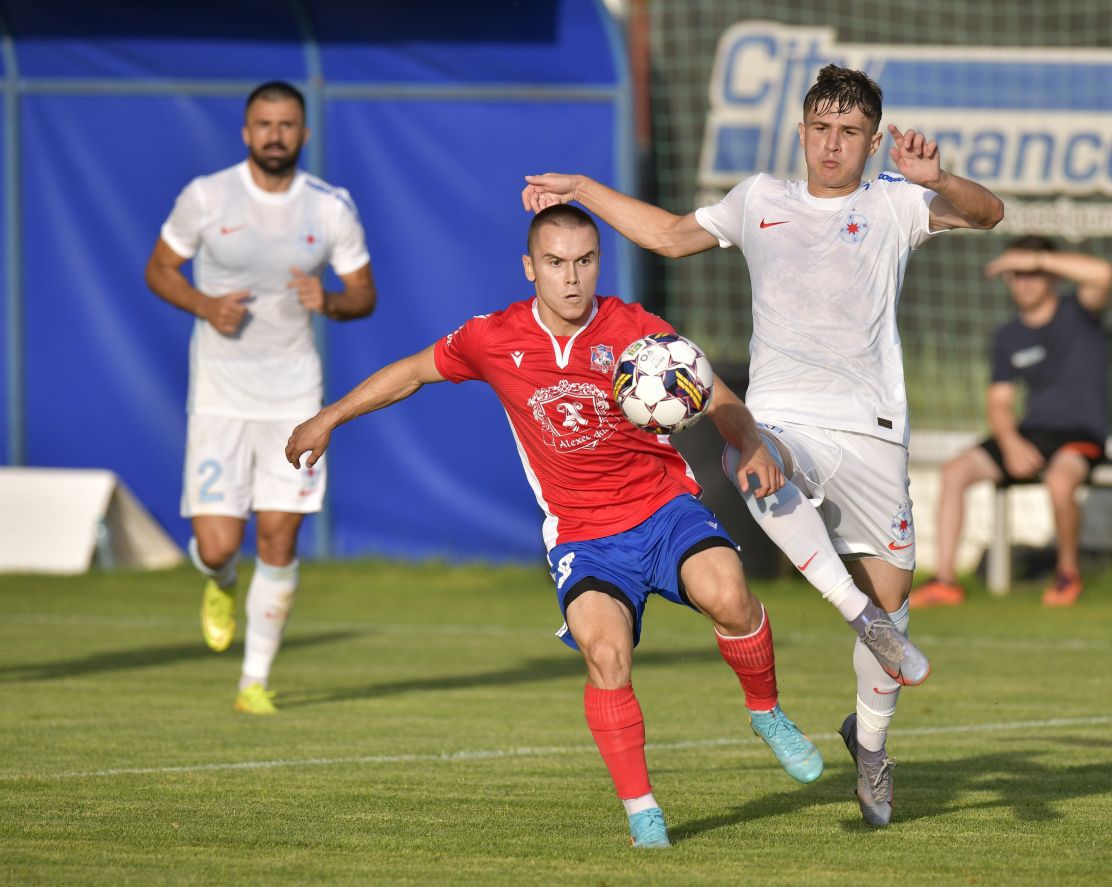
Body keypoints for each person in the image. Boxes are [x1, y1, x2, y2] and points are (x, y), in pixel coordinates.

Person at [521, 64, 1004, 826]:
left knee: (895, 603)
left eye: (849, 133)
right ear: (803, 131)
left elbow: (989, 213)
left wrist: (939, 175)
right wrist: (582, 187)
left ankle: (870, 746)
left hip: (873, 431)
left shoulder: (896, 202)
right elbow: (670, 236)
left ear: (873, 141)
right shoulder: (760, 200)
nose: (831, 145)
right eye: (820, 129)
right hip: (785, 418)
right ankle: (854, 612)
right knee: (752, 460)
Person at [288, 204, 834, 849]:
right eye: (555, 263)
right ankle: (642, 811)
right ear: (530, 268)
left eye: (584, 261)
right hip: (582, 535)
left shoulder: (637, 330)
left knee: (731, 595)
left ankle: (766, 712)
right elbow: (412, 371)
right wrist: (328, 417)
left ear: (598, 263)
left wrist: (752, 443)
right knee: (606, 655)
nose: (571, 278)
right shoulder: (494, 337)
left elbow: (715, 396)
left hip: (662, 510)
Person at [145, 80, 377, 715]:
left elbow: (363, 295)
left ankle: (253, 681)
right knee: (219, 544)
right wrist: (203, 304)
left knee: (278, 539)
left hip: (293, 398)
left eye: (287, 124)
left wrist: (327, 300)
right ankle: (218, 581)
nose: (275, 135)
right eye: (264, 124)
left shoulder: (330, 207)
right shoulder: (207, 196)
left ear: (304, 133)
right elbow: (158, 268)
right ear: (246, 132)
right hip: (220, 395)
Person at [911, 236, 1112, 609]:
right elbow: (1000, 403)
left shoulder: (1080, 311)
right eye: (1018, 274)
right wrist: (1010, 444)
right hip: (1030, 435)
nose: (1026, 282)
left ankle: (1067, 575)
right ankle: (944, 581)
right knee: (955, 471)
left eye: (1035, 273)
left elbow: (1103, 274)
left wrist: (1036, 258)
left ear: (1052, 275)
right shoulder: (1008, 337)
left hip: (1080, 435)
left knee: (1059, 479)